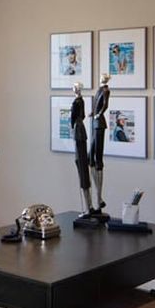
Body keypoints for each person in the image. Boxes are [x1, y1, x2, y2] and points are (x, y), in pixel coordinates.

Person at [70, 82, 94, 216]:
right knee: (81, 161)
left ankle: (88, 207)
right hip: (81, 130)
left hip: (78, 131)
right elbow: (83, 116)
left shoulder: (76, 102)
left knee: (80, 161)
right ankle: (88, 205)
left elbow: (73, 118)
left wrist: (73, 126)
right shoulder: (82, 101)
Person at [88, 73, 110, 213]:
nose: (101, 78)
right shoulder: (99, 89)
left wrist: (98, 114)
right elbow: (96, 104)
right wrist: (92, 112)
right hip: (95, 123)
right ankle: (98, 198)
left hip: (99, 124)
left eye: (104, 77)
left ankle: (98, 197)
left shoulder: (106, 90)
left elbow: (105, 105)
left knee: (97, 158)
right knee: (90, 157)